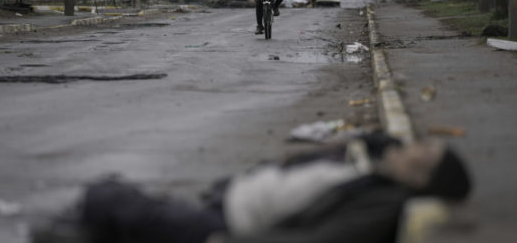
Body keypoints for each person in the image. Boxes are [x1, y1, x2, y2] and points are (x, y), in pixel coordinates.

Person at [32, 133, 471, 243]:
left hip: (228, 226)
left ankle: (77, 230)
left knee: (109, 195)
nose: (410, 146)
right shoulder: (378, 177)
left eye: (422, 152)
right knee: (124, 204)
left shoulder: (383, 201)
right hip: (230, 203)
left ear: (421, 179)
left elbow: (317, 240)